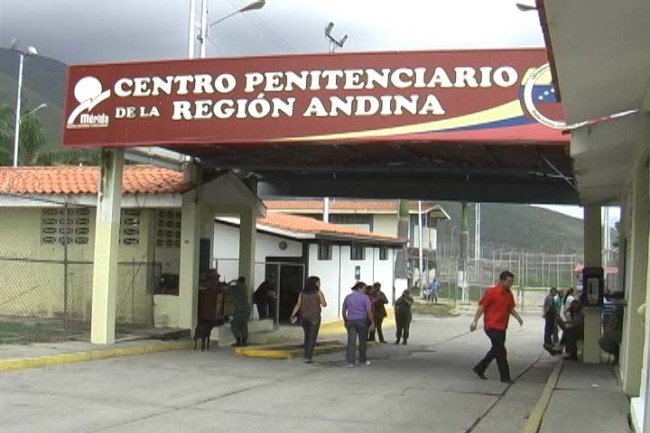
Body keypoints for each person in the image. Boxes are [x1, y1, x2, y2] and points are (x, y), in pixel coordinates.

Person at [470, 270, 524, 384]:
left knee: (495, 350)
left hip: (502, 327)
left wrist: (518, 318)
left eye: (512, 282)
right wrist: (475, 321)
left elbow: (510, 308)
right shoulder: (492, 292)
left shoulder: (509, 294)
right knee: (501, 351)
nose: (511, 284)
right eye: (509, 281)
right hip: (491, 326)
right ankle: (505, 377)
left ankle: (480, 368)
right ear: (502, 280)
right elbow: (481, 307)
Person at [290, 276, 327, 363]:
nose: (320, 284)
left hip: (303, 317)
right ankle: (308, 357)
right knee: (312, 337)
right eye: (318, 282)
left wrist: (293, 314)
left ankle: (306, 353)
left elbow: (298, 304)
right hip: (315, 317)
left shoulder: (302, 293)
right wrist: (323, 300)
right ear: (315, 283)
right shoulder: (318, 292)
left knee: (307, 336)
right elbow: (324, 304)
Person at [342, 282, 375, 367]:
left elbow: (343, 310)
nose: (365, 290)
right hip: (362, 321)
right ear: (359, 288)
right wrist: (372, 322)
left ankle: (350, 362)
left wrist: (345, 320)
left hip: (350, 321)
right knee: (362, 342)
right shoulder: (365, 298)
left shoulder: (348, 297)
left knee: (351, 342)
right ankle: (362, 361)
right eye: (364, 288)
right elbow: (369, 311)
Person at [229, 276, 251, 347]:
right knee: (244, 326)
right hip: (247, 310)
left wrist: (232, 281)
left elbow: (227, 288)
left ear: (238, 281)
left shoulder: (237, 288)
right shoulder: (245, 287)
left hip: (240, 311)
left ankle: (238, 341)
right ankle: (244, 342)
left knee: (234, 325)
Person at [543, 287, 559, 354]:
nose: (556, 294)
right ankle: (548, 342)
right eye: (555, 292)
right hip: (550, 315)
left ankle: (548, 342)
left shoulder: (548, 297)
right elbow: (549, 306)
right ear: (552, 291)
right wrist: (545, 313)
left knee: (549, 328)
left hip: (549, 315)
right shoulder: (550, 298)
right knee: (548, 329)